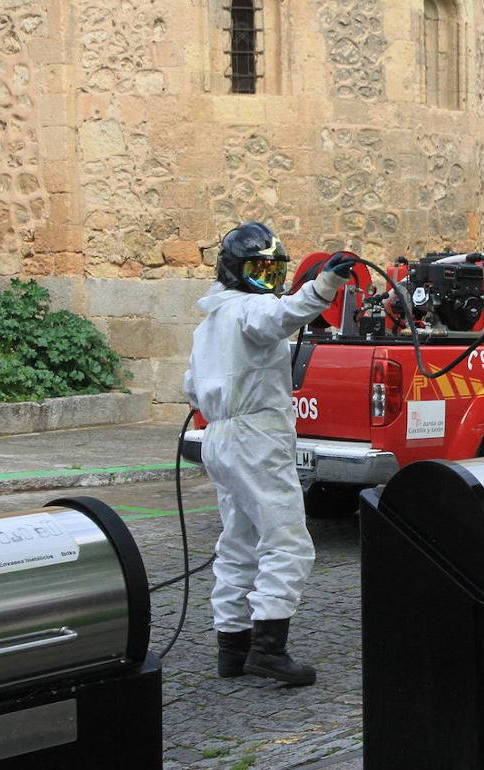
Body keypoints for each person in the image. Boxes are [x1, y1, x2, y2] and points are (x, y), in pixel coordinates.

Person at [183, 222, 352, 686]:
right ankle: (268, 650)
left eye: (271, 270)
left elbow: (191, 389)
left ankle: (231, 648)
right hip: (256, 435)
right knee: (288, 543)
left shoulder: (210, 321)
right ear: (237, 270)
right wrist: (327, 283)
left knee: (238, 541)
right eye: (257, 269)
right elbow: (285, 315)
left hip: (218, 436)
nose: (266, 280)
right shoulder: (251, 310)